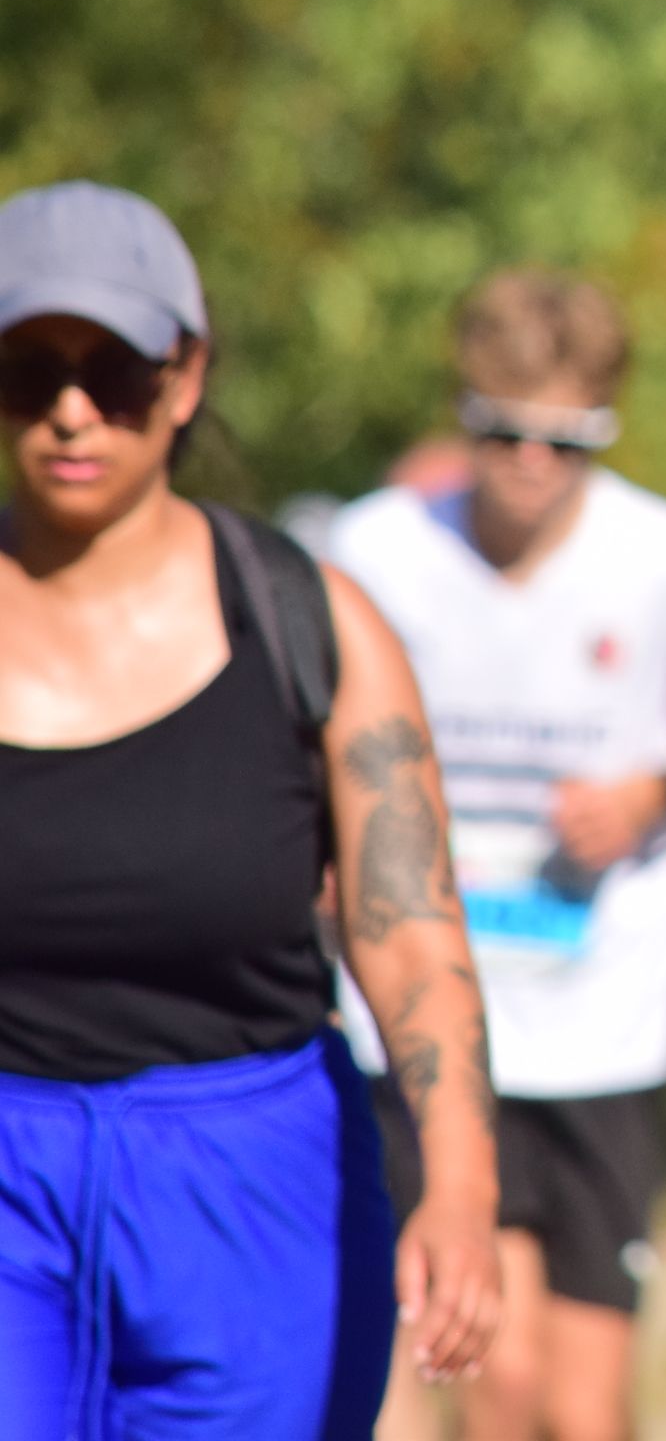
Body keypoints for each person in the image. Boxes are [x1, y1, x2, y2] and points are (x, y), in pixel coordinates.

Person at [0, 180, 502, 1439]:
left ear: (186, 375)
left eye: (114, 371)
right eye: (29, 369)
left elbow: (410, 930)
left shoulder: (308, 621)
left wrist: (461, 1183)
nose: (71, 409)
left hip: (253, 1188)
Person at [331, 269, 666, 1441]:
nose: (532, 463)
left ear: (603, 426)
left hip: (604, 1020)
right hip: (438, 1023)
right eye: (502, 432)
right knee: (497, 1382)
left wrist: (654, 790)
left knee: (583, 1409)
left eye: (567, 439)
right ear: (463, 412)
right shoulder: (374, 550)